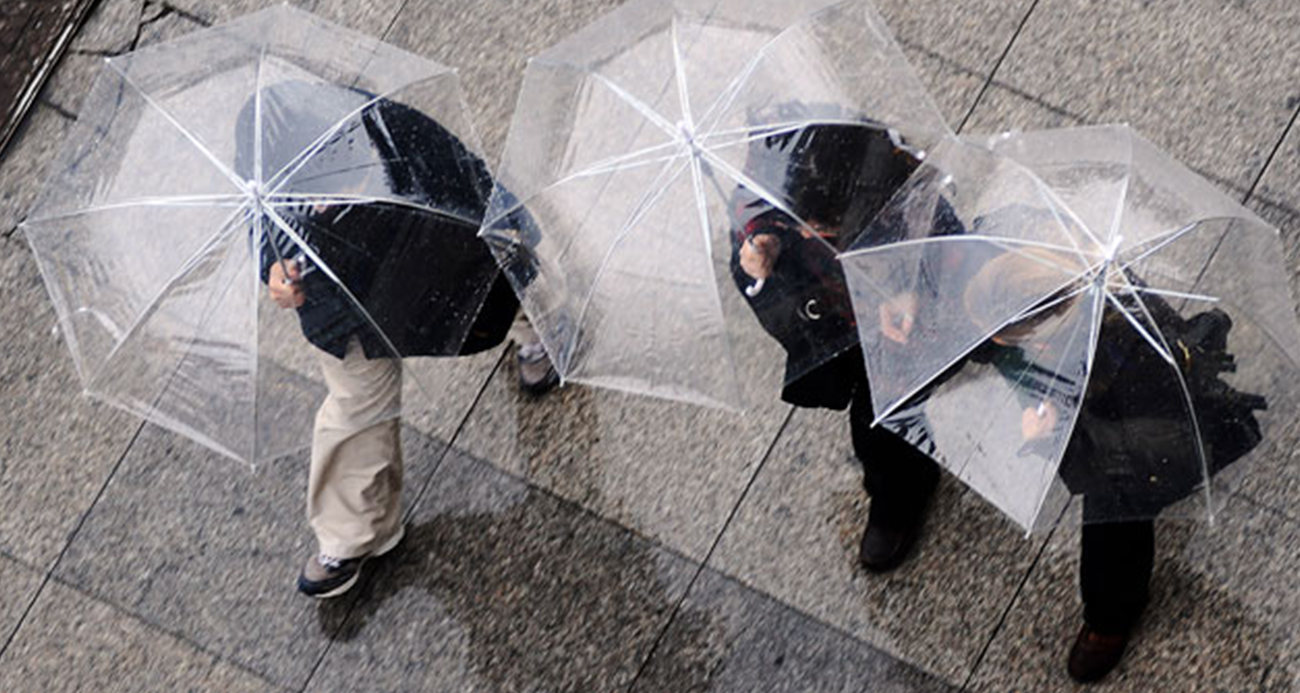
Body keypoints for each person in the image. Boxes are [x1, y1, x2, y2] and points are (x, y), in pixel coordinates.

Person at [240, 80, 528, 598]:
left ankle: (541, 331)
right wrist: (274, 271)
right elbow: (258, 222)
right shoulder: (267, 153)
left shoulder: (393, 136)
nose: (318, 202)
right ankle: (352, 535)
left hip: (429, 263)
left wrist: (511, 227)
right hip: (342, 308)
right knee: (354, 409)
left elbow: (469, 189)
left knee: (497, 298)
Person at [959, 246, 1266, 682]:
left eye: (1006, 338)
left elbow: (1103, 462)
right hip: (1099, 400)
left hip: (1146, 441)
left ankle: (1109, 619)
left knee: (1115, 521)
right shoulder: (1061, 289)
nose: (995, 346)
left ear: (1042, 332)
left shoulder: (1127, 354)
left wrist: (1048, 438)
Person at [730, 109, 955, 572]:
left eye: (821, 227)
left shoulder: (912, 203)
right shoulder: (774, 193)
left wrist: (910, 291)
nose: (810, 233)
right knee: (872, 421)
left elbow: (955, 258)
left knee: (880, 423)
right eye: (800, 223)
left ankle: (899, 497)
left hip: (897, 340)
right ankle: (897, 484)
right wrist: (759, 258)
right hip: (834, 329)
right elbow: (752, 232)